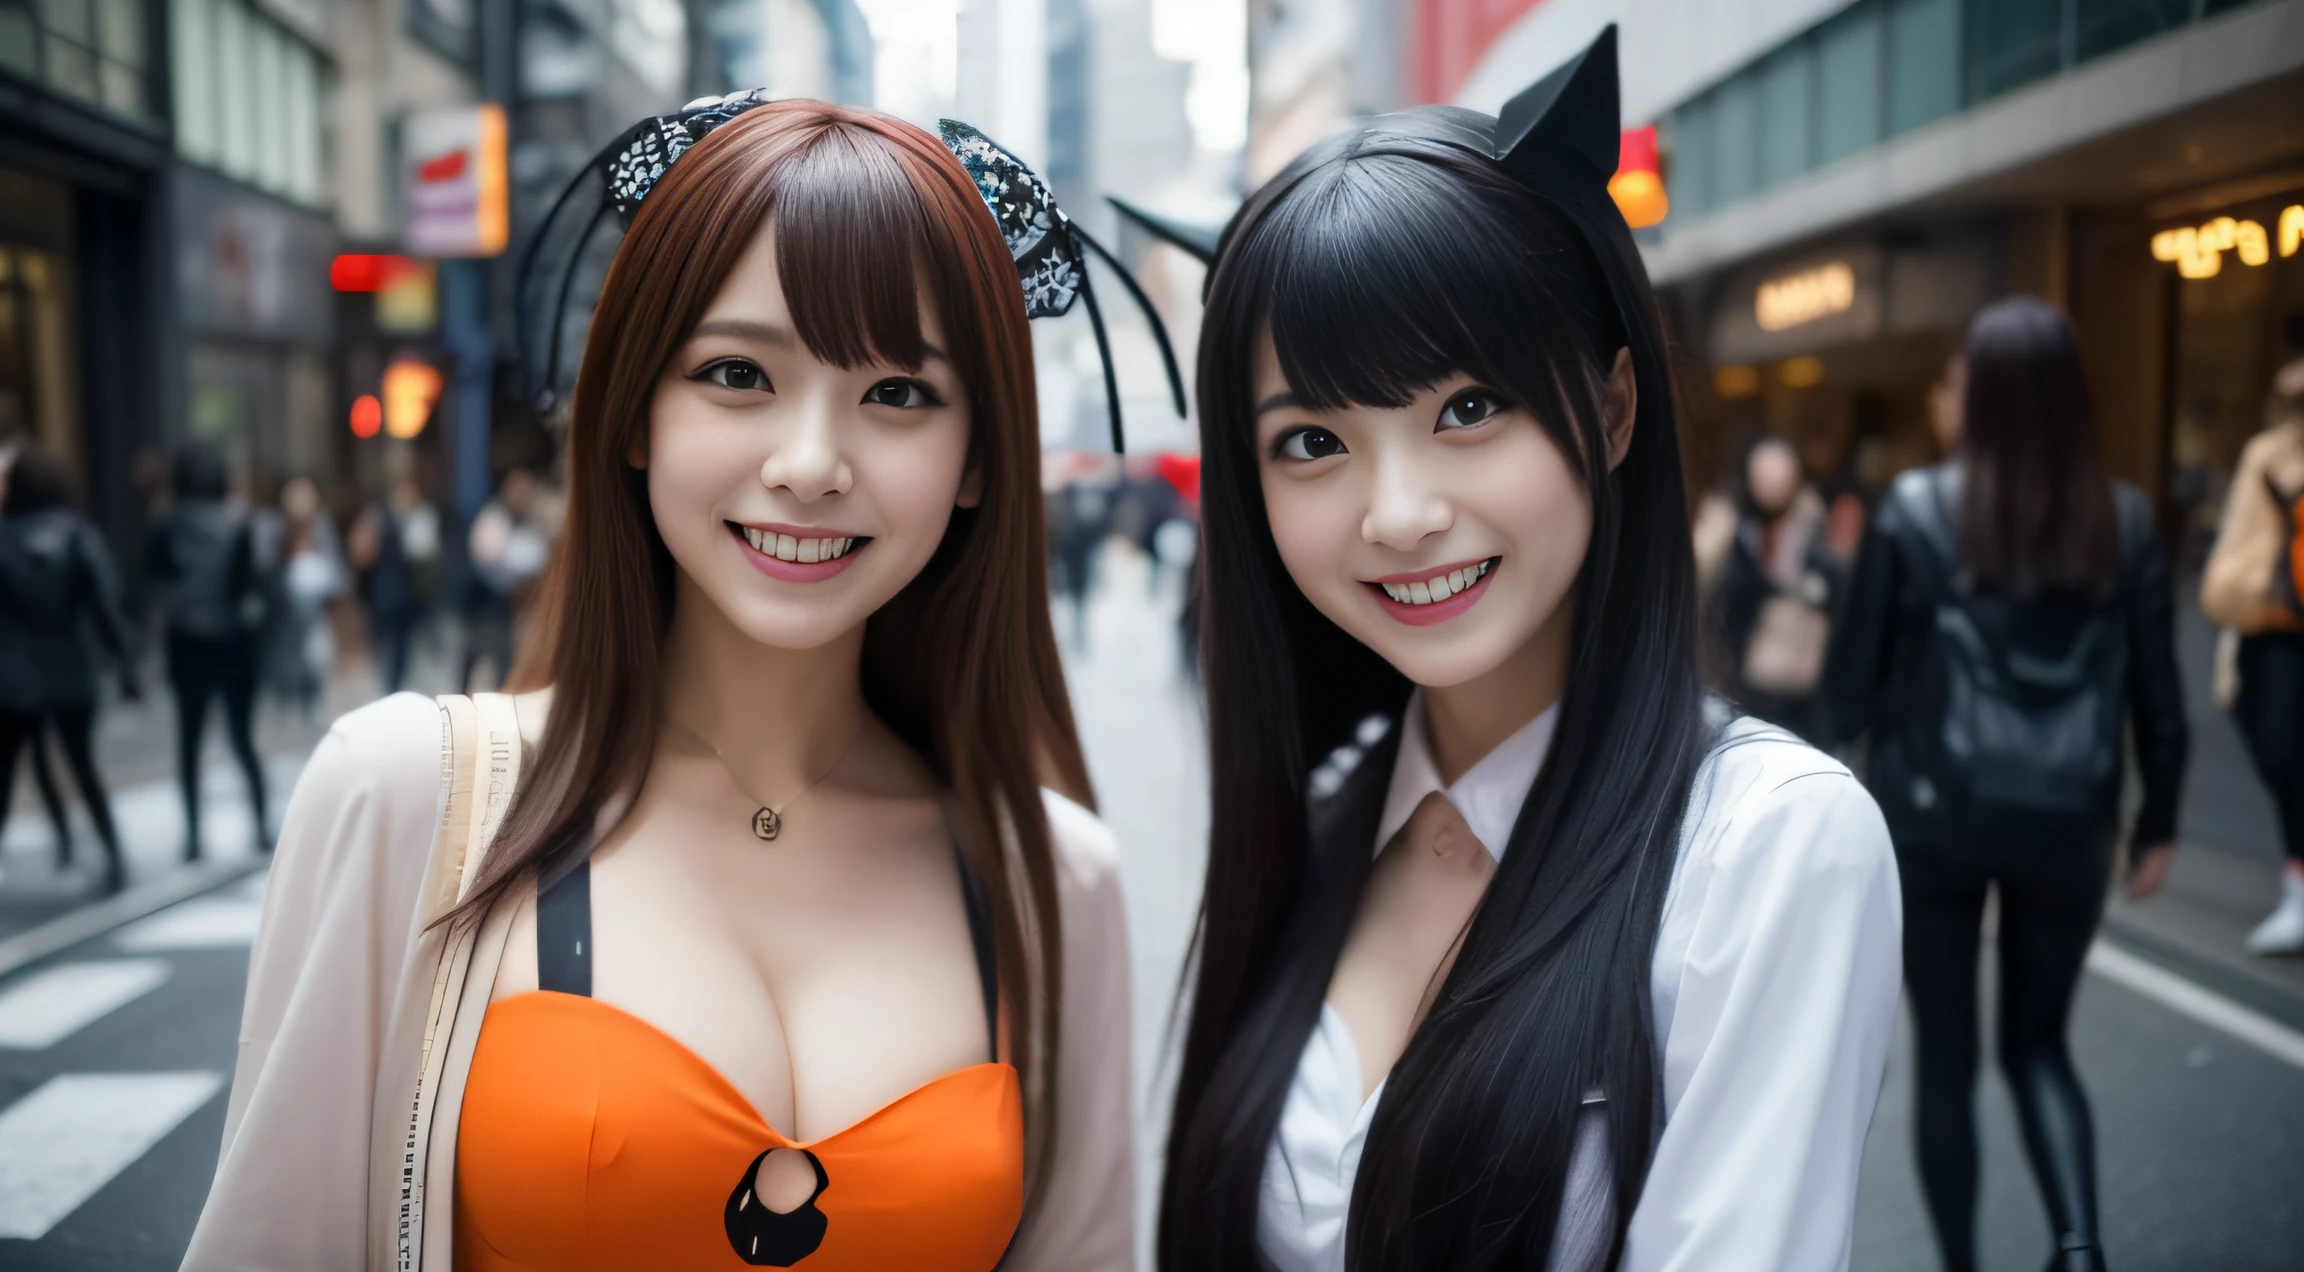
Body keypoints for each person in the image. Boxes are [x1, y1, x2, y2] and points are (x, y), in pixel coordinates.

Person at [182, 98, 1134, 1271]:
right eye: (738, 374)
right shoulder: (405, 796)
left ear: (981, 457)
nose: (809, 465)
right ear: (633, 412)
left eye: (898, 395)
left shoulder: (1054, 877)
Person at [1155, 29, 1900, 1272]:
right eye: (1313, 442)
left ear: (1612, 409)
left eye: (1467, 408)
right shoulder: (1323, 819)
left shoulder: (1763, 849)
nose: (1398, 513)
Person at [1822, 296, 2188, 1272]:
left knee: (1948, 1065)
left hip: (1933, 823)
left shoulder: (1913, 511)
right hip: (2072, 824)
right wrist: (2158, 822)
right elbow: (2159, 694)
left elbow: (1847, 691)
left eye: (1951, 382)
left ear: (1973, 397)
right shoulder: (2124, 520)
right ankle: (2077, 1245)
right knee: (2041, 1049)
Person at [2202, 354, 2304, 955]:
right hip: (2276, 633)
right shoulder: (2267, 457)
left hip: (2276, 634)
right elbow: (2233, 571)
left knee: (2286, 758)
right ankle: (2298, 889)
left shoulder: (2266, 455)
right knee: (2283, 757)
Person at [0, 446, 136, 893]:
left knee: (11, 770)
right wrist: (125, 666)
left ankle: (67, 846)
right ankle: (113, 855)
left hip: (16, 672)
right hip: (71, 668)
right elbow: (104, 605)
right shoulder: (78, 535)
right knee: (82, 766)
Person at [145, 445, 270, 858]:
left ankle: (194, 837)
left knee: (189, 740)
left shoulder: (166, 525)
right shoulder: (239, 524)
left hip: (187, 643)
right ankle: (261, 825)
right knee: (242, 737)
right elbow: (251, 586)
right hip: (234, 643)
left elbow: (154, 583)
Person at [1708, 435, 1844, 741]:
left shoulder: (1814, 525)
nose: (1770, 485)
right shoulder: (1732, 525)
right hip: (1740, 674)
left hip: (1801, 680)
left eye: (1778, 475)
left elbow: (1834, 591)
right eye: (1762, 475)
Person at [460, 467, 552, 691]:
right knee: (481, 658)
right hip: (487, 607)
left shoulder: (531, 523)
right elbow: (489, 560)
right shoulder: (493, 519)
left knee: (503, 661)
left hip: (515, 609)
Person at [350, 476, 443, 695]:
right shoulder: (377, 518)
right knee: (383, 647)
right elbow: (361, 554)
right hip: (382, 595)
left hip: (408, 597)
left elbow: (426, 555)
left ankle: (395, 689)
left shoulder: (419, 520)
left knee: (403, 649)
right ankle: (386, 689)